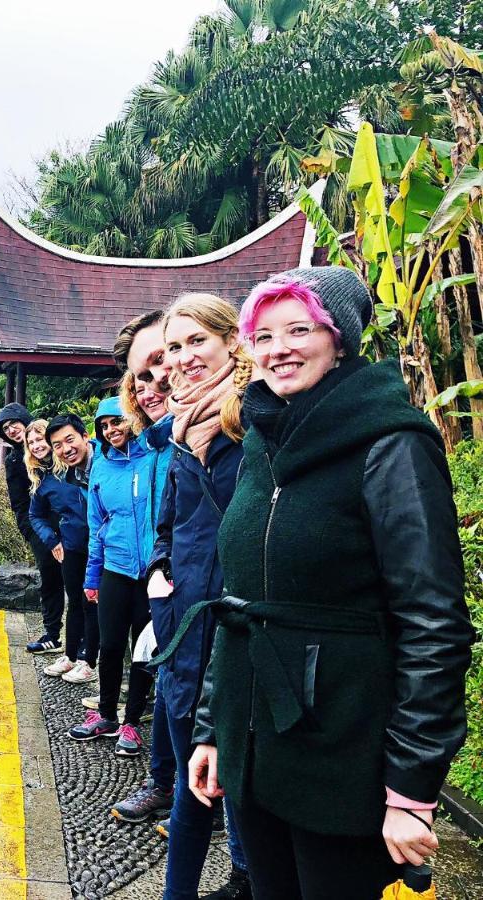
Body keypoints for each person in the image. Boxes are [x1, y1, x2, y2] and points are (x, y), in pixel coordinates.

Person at [186, 268, 474, 900]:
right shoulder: (265, 435)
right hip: (258, 746)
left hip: (343, 747)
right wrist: (213, 730)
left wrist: (412, 787)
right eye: (262, 335)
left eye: (298, 329)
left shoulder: (390, 442)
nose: (278, 348)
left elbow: (434, 622)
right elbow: (241, 599)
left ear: (339, 338)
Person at [147, 294, 254, 900]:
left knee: (236, 761)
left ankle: (243, 872)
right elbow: (170, 524)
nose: (183, 359)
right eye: (174, 348)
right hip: (185, 621)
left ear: (231, 342)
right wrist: (159, 570)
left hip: (239, 617)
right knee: (194, 771)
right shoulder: (179, 434)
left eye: (197, 342)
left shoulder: (258, 419)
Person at [108, 311, 179, 826]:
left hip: (195, 591)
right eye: (141, 376)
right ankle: (164, 782)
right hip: (156, 579)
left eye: (163, 362)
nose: (154, 384)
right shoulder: (157, 446)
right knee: (171, 684)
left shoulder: (222, 431)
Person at [67, 396, 156, 759]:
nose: (111, 430)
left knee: (144, 649)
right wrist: (92, 576)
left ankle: (132, 721)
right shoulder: (101, 467)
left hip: (152, 571)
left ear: (132, 420)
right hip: (114, 569)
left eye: (117, 422)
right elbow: (95, 524)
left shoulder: (155, 458)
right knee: (110, 644)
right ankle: (105, 714)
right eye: (104, 426)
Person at [29, 413, 98, 684]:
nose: (38, 446)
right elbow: (35, 515)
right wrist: (53, 540)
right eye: (31, 442)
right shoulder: (42, 480)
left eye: (41, 440)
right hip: (71, 545)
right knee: (75, 600)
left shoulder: (78, 469)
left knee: (90, 600)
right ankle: (70, 655)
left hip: (97, 544)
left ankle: (87, 658)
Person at [0, 403, 66, 654]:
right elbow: (19, 503)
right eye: (5, 428)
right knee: (50, 582)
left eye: (13, 423)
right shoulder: (16, 461)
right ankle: (52, 634)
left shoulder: (56, 449)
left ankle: (82, 644)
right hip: (40, 530)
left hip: (72, 525)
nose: (11, 430)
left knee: (79, 583)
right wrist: (32, 535)